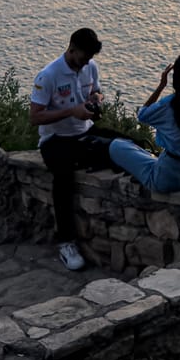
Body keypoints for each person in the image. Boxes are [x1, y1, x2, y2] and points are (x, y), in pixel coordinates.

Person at [30, 27, 121, 271]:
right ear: (72, 49)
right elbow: (35, 117)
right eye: (83, 57)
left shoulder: (90, 68)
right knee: (63, 176)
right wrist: (72, 111)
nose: (86, 63)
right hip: (55, 140)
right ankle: (66, 243)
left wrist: (96, 100)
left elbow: (96, 91)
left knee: (121, 145)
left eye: (90, 59)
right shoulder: (48, 76)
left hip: (84, 131)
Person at [109, 54, 180, 194]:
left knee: (116, 146)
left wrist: (161, 86)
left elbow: (142, 115)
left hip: (167, 178)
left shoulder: (168, 105)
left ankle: (155, 162)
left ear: (176, 79)